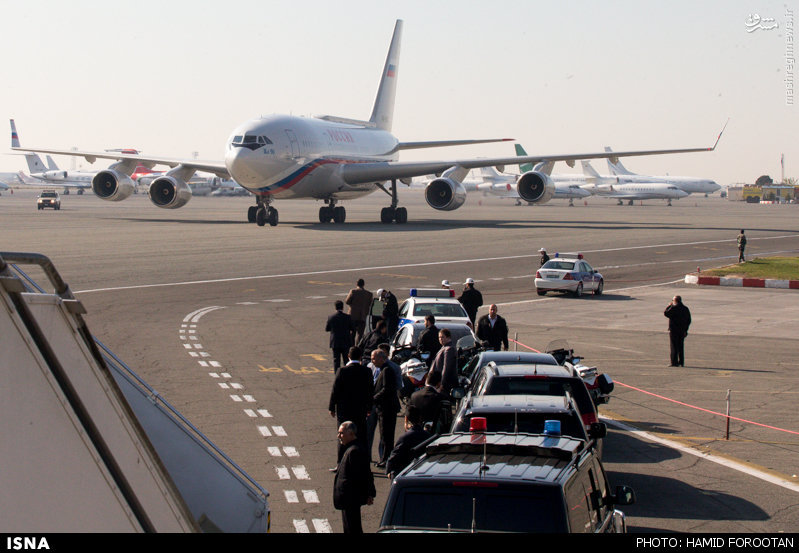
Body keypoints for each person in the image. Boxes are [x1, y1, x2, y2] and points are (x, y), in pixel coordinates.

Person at [329, 346, 374, 465]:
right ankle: (363, 463)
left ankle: (341, 463)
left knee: (342, 436)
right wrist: (369, 408)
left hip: (344, 411)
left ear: (348, 356)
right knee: (360, 436)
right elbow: (370, 391)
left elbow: (335, 390)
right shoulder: (366, 371)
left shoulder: (342, 371)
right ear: (360, 357)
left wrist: (331, 407)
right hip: (360, 410)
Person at [333, 421, 375, 534]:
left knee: (353, 528)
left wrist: (369, 493)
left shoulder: (355, 451)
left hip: (351, 499)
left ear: (351, 434)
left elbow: (363, 474)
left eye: (341, 433)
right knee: (349, 527)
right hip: (348, 499)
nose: (339, 436)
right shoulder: (350, 449)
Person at [371, 349, 401, 468]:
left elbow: (387, 389)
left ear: (382, 358)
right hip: (383, 408)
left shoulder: (387, 370)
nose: (372, 361)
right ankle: (385, 458)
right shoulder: (383, 369)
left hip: (387, 408)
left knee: (387, 436)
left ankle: (387, 459)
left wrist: (374, 398)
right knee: (384, 435)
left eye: (374, 358)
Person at [385, 405, 431, 479]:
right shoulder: (427, 436)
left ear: (407, 419)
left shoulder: (404, 438)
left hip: (405, 472)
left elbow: (394, 456)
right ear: (420, 418)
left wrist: (389, 471)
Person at [426, 328, 458, 395]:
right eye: (439, 337)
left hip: (444, 385)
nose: (440, 339)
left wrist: (442, 384)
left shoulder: (449, 349)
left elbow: (446, 368)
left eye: (442, 337)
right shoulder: (443, 347)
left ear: (448, 337)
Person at [325, 300, 354, 372]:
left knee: (336, 360)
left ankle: (337, 375)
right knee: (346, 360)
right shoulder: (347, 317)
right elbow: (352, 328)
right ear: (342, 307)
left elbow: (327, 329)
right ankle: (347, 374)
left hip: (335, 341)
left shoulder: (331, 317)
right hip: (346, 341)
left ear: (335, 307)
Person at [664, 295, 691, 367]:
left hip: (674, 330)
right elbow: (689, 320)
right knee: (680, 346)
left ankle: (674, 362)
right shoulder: (685, 308)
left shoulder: (674, 308)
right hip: (682, 330)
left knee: (674, 346)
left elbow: (666, 313)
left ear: (675, 301)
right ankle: (681, 362)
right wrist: (686, 329)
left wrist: (670, 306)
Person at [345, 279, 373, 345]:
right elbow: (371, 304)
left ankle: (351, 347)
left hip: (353, 316)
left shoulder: (353, 291)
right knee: (360, 334)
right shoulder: (369, 294)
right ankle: (358, 347)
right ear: (363, 284)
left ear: (357, 284)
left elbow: (347, 301)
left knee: (352, 333)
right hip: (362, 316)